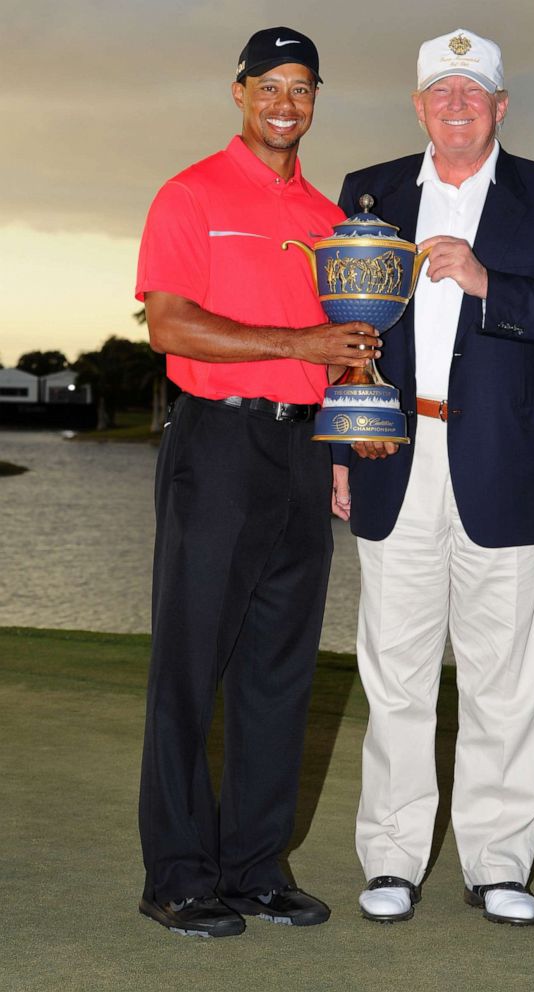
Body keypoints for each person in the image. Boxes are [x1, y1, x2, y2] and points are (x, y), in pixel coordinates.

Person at [331, 28, 534, 927]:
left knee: (509, 681)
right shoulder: (367, 189)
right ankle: (391, 859)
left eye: (473, 91)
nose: (456, 104)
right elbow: (344, 326)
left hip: (510, 468)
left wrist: (490, 281)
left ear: (500, 107)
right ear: (418, 106)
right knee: (398, 677)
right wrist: (342, 444)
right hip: (392, 460)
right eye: (441, 91)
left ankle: (498, 866)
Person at [135, 26, 380, 938]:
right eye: (270, 85)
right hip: (218, 446)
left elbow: (347, 346)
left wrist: (346, 434)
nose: (286, 102)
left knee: (279, 669)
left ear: (315, 99)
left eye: (302, 87)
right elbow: (169, 326)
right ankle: (179, 874)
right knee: (190, 666)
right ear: (238, 92)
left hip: (302, 453)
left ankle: (255, 867)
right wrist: (302, 346)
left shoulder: (330, 219)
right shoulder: (189, 193)